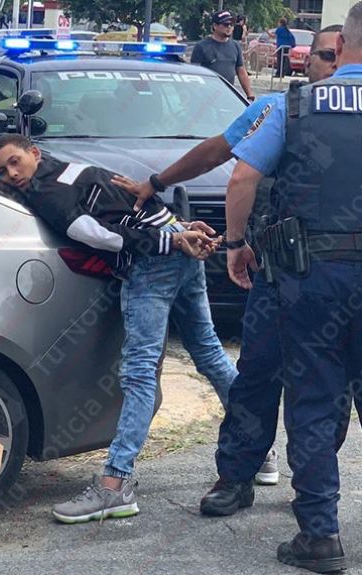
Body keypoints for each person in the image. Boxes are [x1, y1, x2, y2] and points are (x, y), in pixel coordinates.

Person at [111, 25, 347, 498]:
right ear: (308, 61)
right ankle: (238, 477)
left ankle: (313, 492)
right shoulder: (279, 108)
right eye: (324, 55)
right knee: (256, 377)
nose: (333, 65)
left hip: (336, 276)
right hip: (279, 271)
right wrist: (155, 182)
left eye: (336, 56)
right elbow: (216, 154)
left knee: (329, 391)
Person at [0, 135, 237, 524]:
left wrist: (170, 240)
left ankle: (114, 484)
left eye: (15, 162)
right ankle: (255, 450)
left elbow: (98, 235)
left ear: (34, 153)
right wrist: (177, 228)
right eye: (3, 171)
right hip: (177, 241)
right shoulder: (73, 166)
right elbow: (127, 202)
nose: (12, 173)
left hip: (156, 258)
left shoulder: (48, 194)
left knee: (139, 372)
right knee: (208, 351)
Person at [223, 4, 362, 571]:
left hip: (312, 278)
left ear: (345, 43)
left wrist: (236, 244)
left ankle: (321, 536)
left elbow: (242, 177)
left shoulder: (296, 105)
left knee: (313, 397)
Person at [192, 11, 257, 101]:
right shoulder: (201, 47)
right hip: (205, 97)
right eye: (226, 24)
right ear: (215, 26)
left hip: (227, 96)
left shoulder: (235, 46)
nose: (229, 27)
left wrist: (250, 95)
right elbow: (194, 74)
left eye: (231, 24)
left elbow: (241, 71)